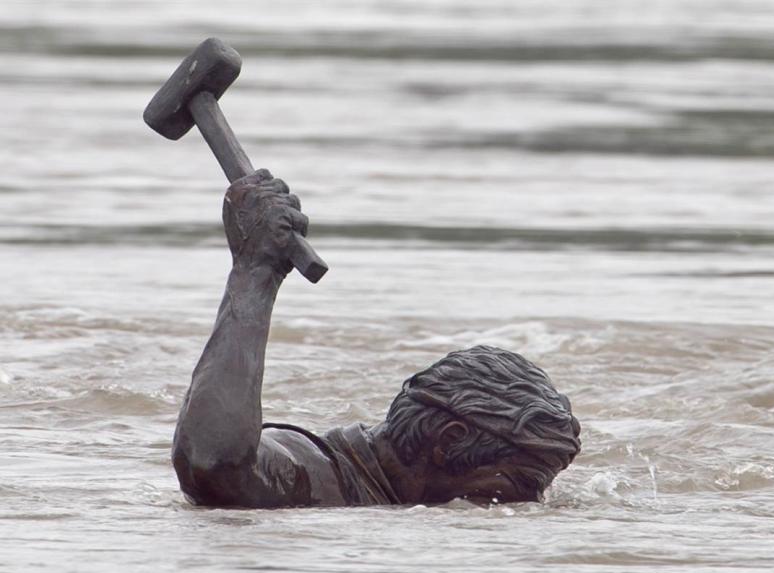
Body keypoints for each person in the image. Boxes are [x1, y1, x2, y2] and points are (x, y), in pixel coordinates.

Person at [172, 169, 581, 508]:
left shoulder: (378, 496)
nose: (533, 502)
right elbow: (212, 464)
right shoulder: (309, 475)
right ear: (449, 441)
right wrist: (255, 272)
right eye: (524, 482)